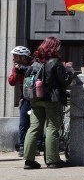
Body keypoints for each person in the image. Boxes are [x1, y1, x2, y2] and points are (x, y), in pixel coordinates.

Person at [23, 37, 74, 170]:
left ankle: (29, 161)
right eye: (58, 46)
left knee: (34, 128)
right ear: (53, 46)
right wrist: (69, 70)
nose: (59, 48)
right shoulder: (55, 62)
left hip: (35, 99)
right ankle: (52, 160)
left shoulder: (35, 62)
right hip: (52, 100)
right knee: (52, 128)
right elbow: (65, 80)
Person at [8, 46, 43, 157]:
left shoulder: (34, 64)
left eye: (15, 56)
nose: (13, 58)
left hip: (37, 96)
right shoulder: (16, 67)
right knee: (23, 123)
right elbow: (11, 82)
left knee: (37, 122)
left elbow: (39, 74)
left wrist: (25, 69)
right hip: (25, 97)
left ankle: (37, 146)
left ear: (23, 57)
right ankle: (22, 146)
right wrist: (17, 72)